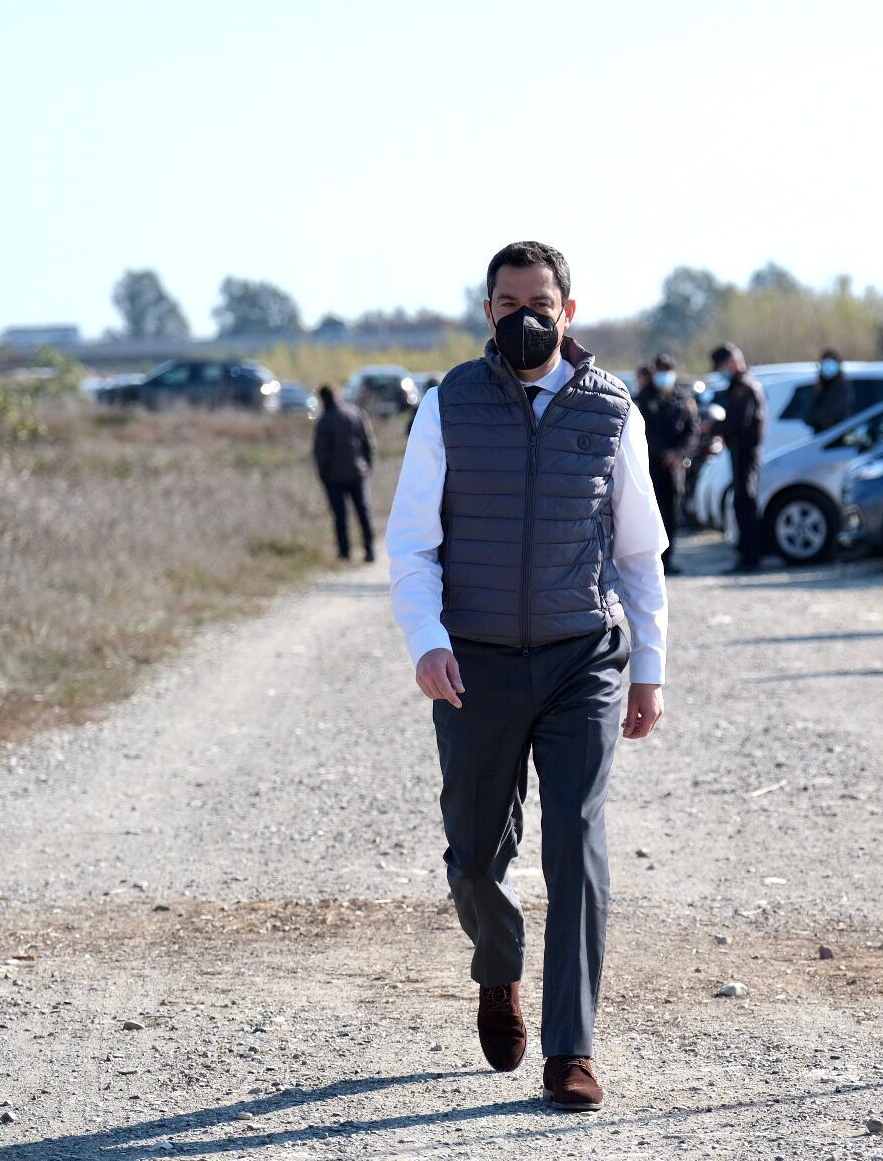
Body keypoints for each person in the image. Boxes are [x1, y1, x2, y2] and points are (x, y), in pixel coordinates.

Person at [385, 241, 668, 1114]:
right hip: (473, 663)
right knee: (474, 856)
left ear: (569, 311)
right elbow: (410, 542)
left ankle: (571, 1049)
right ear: (488, 312)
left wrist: (649, 669)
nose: (524, 317)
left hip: (582, 655)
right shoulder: (447, 406)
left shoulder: (612, 408)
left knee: (575, 841)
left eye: (539, 301)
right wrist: (428, 641)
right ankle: (498, 968)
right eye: (507, 304)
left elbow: (638, 550)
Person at [636, 354, 699, 575]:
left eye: (668, 371)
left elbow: (692, 430)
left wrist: (678, 453)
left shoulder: (682, 398)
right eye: (661, 370)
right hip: (652, 465)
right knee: (651, 513)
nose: (665, 376)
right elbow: (644, 432)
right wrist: (664, 452)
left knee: (672, 512)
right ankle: (652, 562)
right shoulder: (644, 399)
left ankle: (668, 560)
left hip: (676, 467)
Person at [711, 342, 767, 573]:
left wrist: (714, 426)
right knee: (742, 502)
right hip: (741, 451)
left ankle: (750, 557)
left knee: (745, 503)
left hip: (746, 452)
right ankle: (747, 554)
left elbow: (738, 422)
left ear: (732, 362)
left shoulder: (744, 386)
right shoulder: (740, 384)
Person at [310, 384, 377, 562]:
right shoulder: (356, 412)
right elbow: (368, 442)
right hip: (358, 472)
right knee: (364, 513)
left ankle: (345, 552)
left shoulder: (324, 421)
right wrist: (367, 466)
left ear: (322, 398)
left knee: (340, 516)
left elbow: (320, 453)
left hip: (334, 477)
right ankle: (370, 550)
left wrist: (323, 475)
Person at [804, 348, 854, 434]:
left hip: (836, 435)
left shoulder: (841, 387)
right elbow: (809, 414)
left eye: (831, 361)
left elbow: (837, 411)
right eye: (826, 362)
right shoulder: (819, 387)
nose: (828, 366)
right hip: (821, 435)